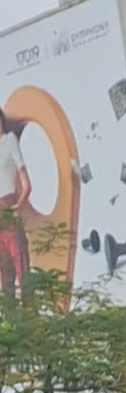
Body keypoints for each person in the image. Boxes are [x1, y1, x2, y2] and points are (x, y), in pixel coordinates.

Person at [0, 109, 31, 300]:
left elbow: (26, 183)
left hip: (8, 205)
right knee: (5, 273)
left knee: (21, 265)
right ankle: (10, 316)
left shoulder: (9, 140)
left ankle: (30, 312)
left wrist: (18, 205)